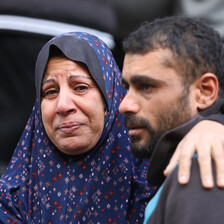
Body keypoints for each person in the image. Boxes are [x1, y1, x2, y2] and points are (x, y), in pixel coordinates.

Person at [0, 31, 223, 224]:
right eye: (50, 92)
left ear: (112, 98)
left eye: (80, 87)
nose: (63, 105)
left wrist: (215, 124)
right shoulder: (12, 196)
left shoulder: (159, 171)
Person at [118, 16, 224, 223]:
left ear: (204, 91)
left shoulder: (203, 165)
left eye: (146, 86)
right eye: (126, 87)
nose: (124, 105)